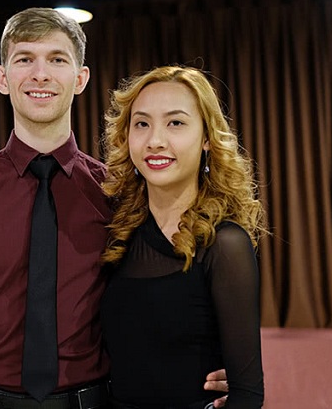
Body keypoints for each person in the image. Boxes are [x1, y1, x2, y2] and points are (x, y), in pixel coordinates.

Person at [0, 7, 228, 408]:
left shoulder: (120, 195)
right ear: (1, 78)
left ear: (80, 78)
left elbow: (163, 300)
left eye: (56, 59)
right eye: (24, 59)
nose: (40, 74)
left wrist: (213, 368)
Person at [99, 65, 266, 408]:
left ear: (207, 138)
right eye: (141, 124)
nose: (155, 141)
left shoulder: (225, 244)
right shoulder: (114, 234)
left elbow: (248, 394)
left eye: (175, 123)